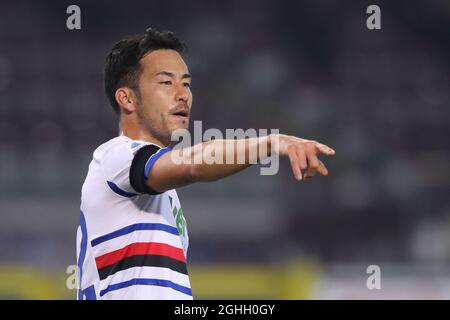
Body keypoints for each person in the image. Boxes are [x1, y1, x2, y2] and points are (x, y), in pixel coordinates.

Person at [76, 28, 336, 300]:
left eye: (186, 84)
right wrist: (273, 143)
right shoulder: (115, 156)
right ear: (127, 98)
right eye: (166, 83)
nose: (183, 94)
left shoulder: (163, 200)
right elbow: (193, 164)